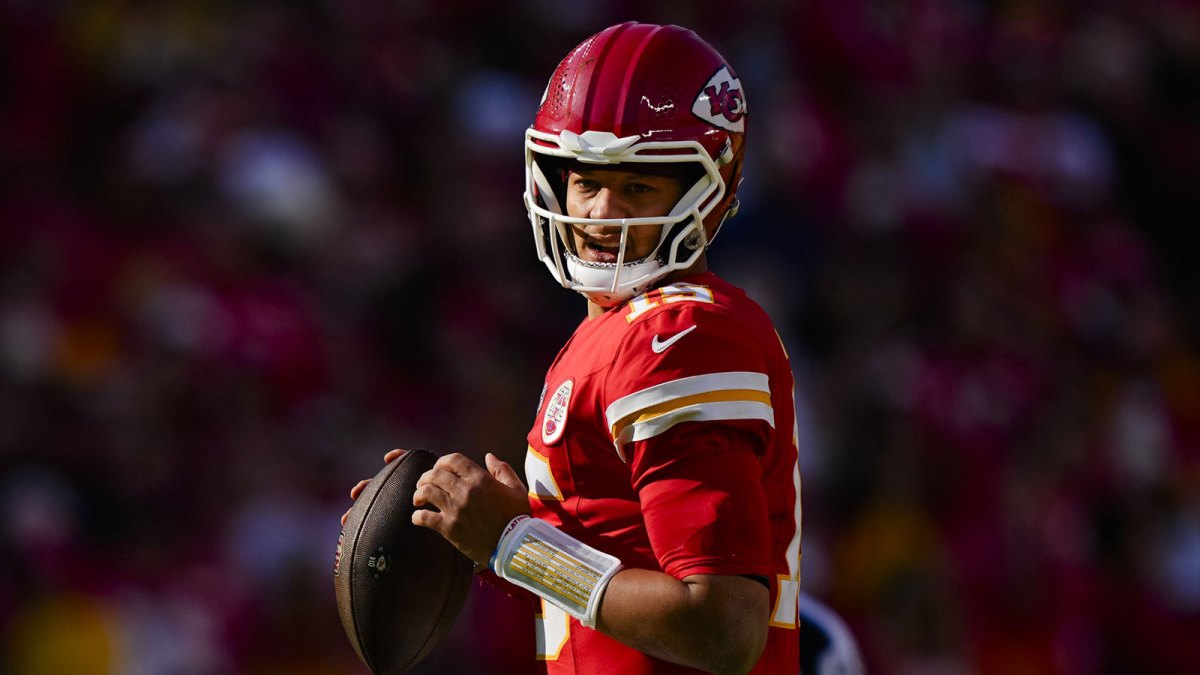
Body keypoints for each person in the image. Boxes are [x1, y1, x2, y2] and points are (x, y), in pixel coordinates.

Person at [348, 22, 801, 674]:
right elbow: (621, 577)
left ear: (707, 190)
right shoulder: (617, 329)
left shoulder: (677, 337)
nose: (598, 212)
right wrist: (482, 534)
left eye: (637, 186)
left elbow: (722, 625)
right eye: (584, 180)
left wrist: (514, 541)